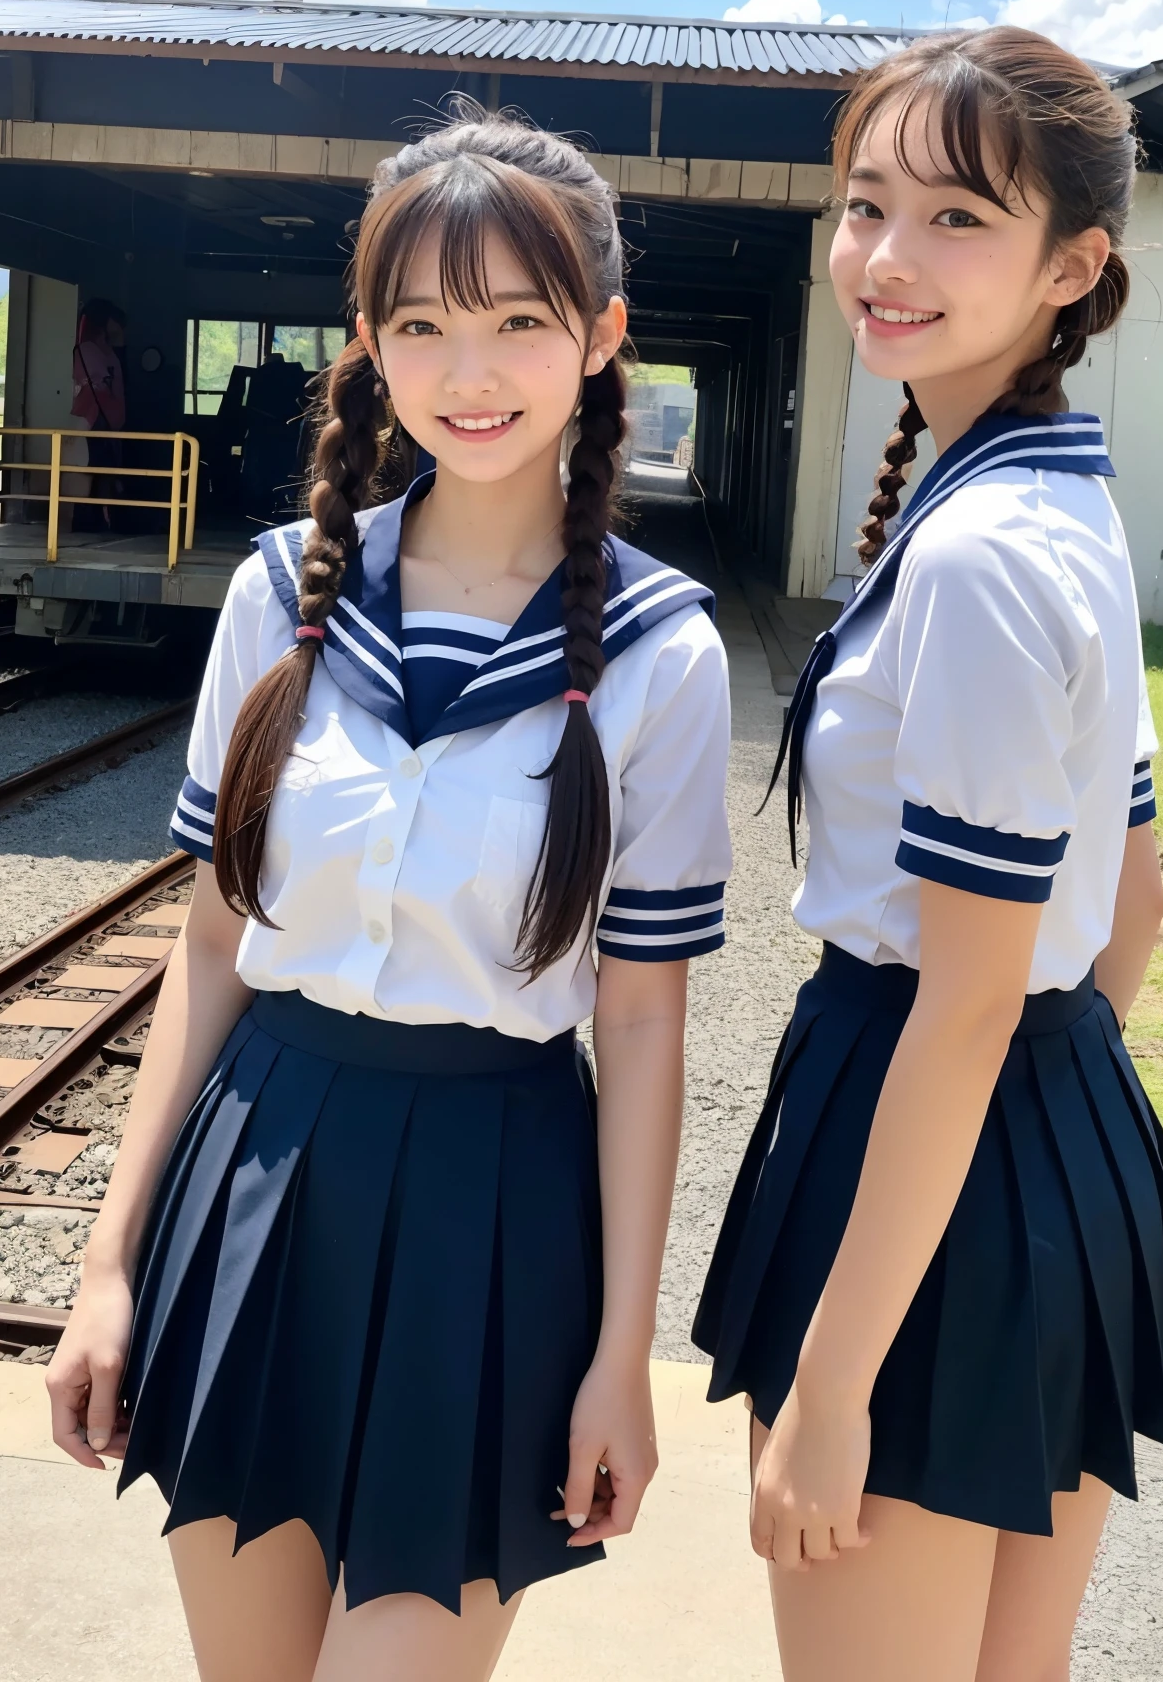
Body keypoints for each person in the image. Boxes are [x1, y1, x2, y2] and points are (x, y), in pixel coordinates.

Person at [45, 112, 732, 1682]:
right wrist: (108, 1262)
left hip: (494, 1204)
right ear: (369, 343)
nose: (467, 371)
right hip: (261, 1179)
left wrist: (623, 1355)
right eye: (422, 323)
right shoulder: (283, 591)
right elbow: (212, 949)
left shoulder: (659, 652)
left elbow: (638, 1020)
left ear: (602, 337)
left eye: (517, 322)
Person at [692, 29, 1163, 1682]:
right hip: (1055, 1135)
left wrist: (839, 1375)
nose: (889, 257)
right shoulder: (1058, 497)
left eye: (957, 218)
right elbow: (1130, 896)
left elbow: (966, 995)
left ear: (1072, 266)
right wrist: (1041, 1143)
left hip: (927, 1133)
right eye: (869, 207)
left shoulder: (979, 555)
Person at [70, 297, 127, 529]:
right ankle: (87, 519)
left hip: (106, 421)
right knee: (90, 471)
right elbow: (96, 387)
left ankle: (102, 518)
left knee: (103, 472)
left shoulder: (108, 352)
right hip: (93, 421)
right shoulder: (87, 350)